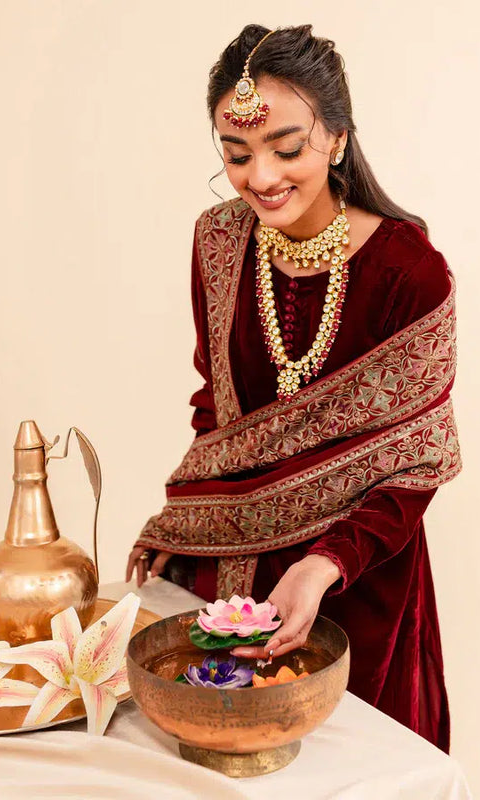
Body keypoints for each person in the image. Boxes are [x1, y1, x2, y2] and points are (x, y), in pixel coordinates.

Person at [125, 24, 461, 753]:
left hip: (355, 578)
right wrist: (181, 522)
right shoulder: (218, 242)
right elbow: (218, 411)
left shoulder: (409, 273)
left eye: (286, 148)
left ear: (337, 138)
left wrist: (323, 564)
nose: (261, 177)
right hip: (228, 565)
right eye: (236, 153)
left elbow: (418, 463)